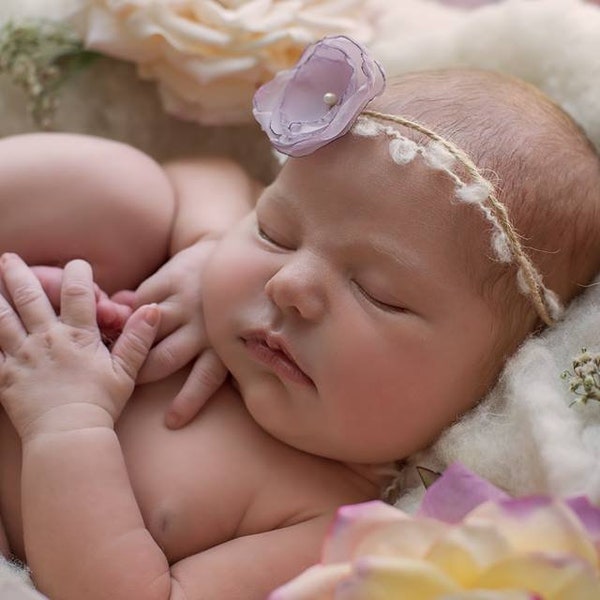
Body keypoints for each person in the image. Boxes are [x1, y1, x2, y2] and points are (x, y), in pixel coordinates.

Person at [0, 36, 599, 600]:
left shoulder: (329, 523)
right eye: (275, 232)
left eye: (378, 294)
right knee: (129, 192)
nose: (288, 285)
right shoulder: (196, 296)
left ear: (493, 379)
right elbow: (207, 172)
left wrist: (65, 423)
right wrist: (202, 245)